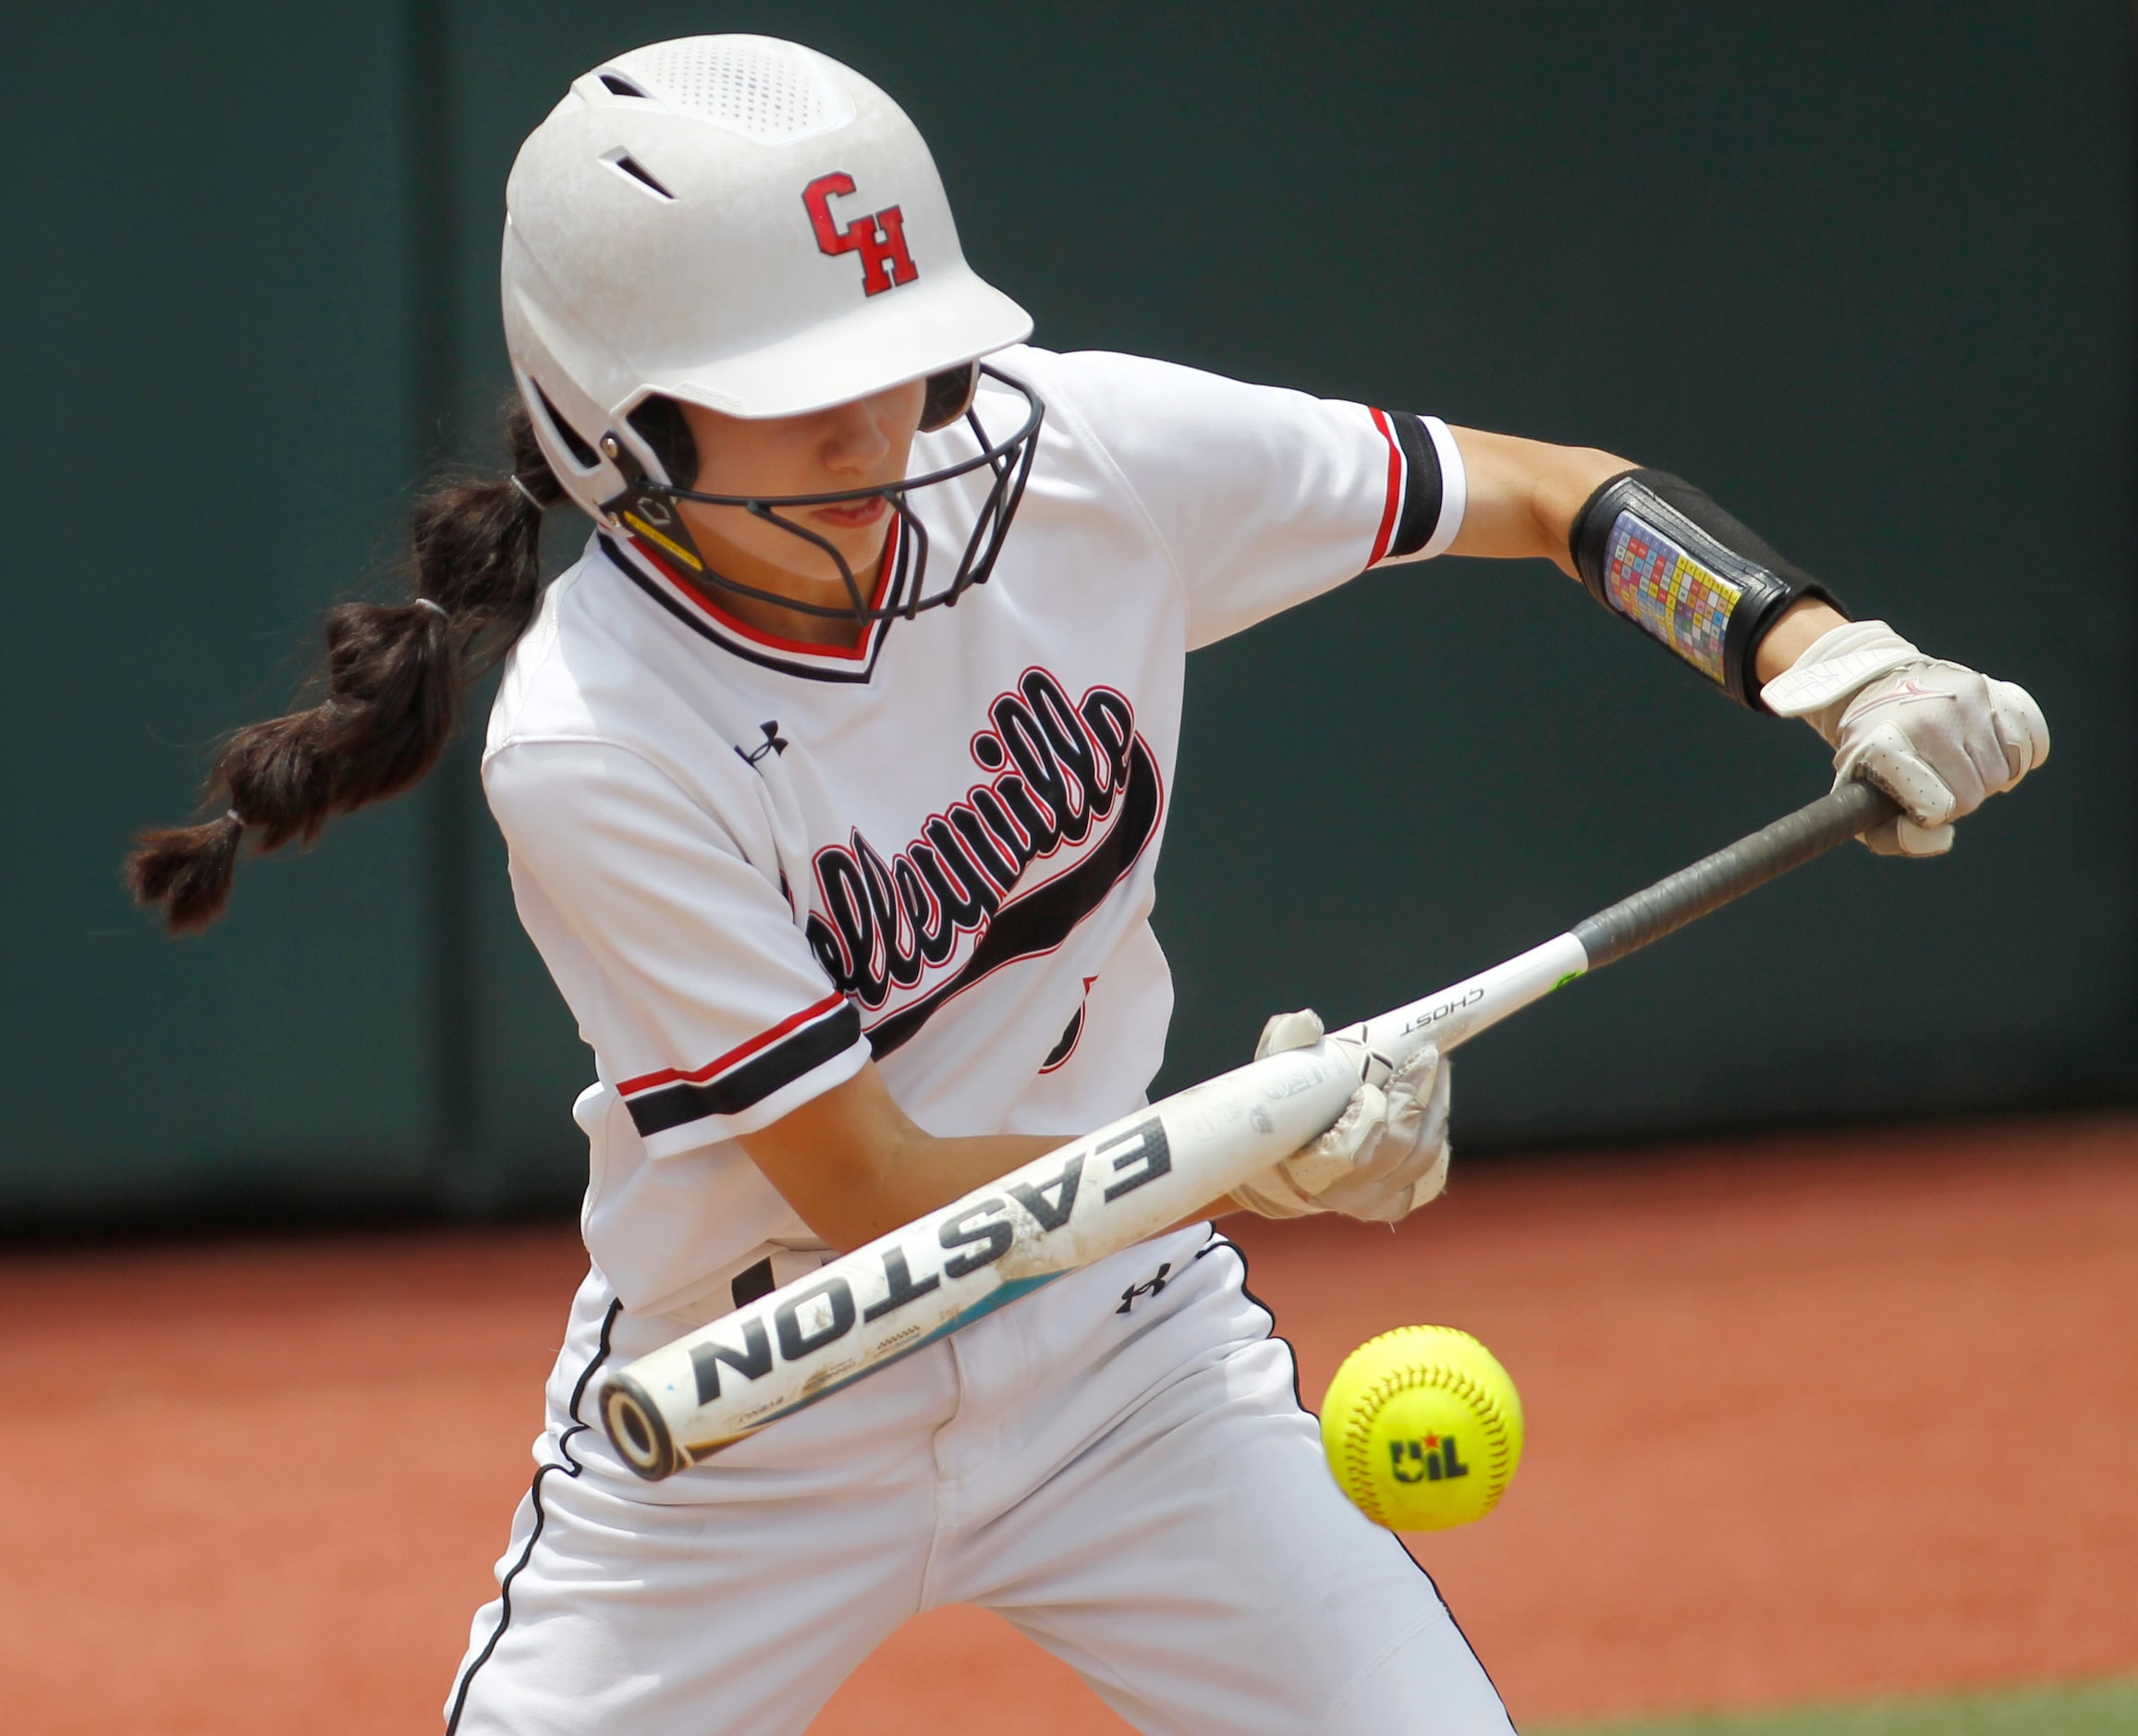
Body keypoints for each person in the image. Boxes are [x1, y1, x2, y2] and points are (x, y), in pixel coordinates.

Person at [128, 34, 2047, 1736]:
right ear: (617, 434)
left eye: (901, 370)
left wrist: (1811, 655)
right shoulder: (596, 739)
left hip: (1121, 1360)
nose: (879, 442)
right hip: (759, 1408)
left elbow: (1549, 496)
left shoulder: (1072, 456)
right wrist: (1244, 1145)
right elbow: (864, 1183)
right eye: (802, 402)